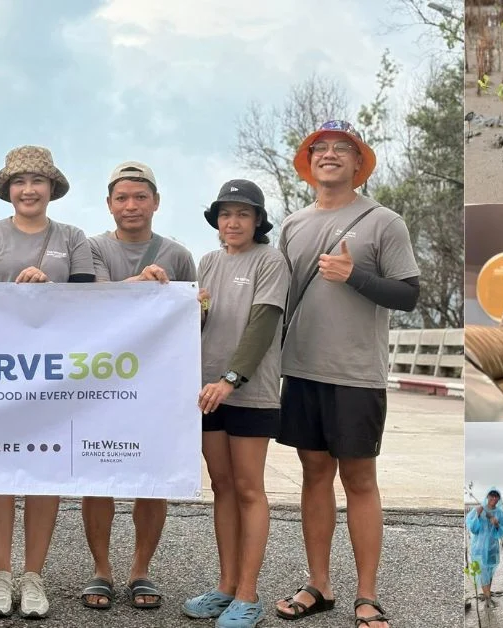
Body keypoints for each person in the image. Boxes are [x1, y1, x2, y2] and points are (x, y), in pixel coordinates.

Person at [274, 120, 420, 628]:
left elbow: (409, 294)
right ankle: (320, 584)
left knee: (359, 478)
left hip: (357, 374)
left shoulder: (384, 221)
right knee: (314, 474)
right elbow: (279, 300)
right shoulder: (292, 225)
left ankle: (368, 594)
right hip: (302, 370)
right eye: (320, 148)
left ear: (360, 163)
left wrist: (353, 275)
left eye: (343, 149)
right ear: (308, 162)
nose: (330, 154)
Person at [0, 145, 94, 619]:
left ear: (52, 187)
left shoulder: (74, 237)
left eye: (38, 180)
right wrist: (11, 295)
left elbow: (88, 307)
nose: (29, 189)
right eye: (20, 181)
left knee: (44, 472)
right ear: (8, 189)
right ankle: (0, 574)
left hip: (53, 376)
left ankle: (33, 575)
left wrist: (48, 291)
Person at [80, 161, 196, 612]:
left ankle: (140, 570)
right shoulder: (89, 249)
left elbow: (193, 317)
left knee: (152, 479)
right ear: (109, 204)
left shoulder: (180, 255)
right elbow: (89, 303)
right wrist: (137, 285)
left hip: (158, 383)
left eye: (140, 197)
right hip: (101, 381)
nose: (131, 205)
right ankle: (102, 569)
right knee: (98, 475)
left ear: (156, 202)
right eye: (122, 197)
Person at [181, 180, 290, 628]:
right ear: (216, 221)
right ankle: (225, 586)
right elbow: (194, 321)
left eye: (243, 214)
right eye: (226, 214)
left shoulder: (270, 261)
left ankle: (249, 593)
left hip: (249, 391)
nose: (233, 221)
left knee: (248, 488)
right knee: (221, 487)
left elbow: (262, 327)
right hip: (208, 391)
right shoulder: (207, 263)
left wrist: (230, 379)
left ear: (258, 220)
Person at [465, 488, 503, 606]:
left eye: (496, 496)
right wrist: (478, 515)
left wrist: (497, 524)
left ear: (499, 498)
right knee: (483, 572)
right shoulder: (479, 509)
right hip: (479, 548)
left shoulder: (500, 513)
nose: (494, 498)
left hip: (492, 548)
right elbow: (473, 529)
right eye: (491, 495)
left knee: (489, 573)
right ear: (487, 496)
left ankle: (487, 594)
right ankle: (488, 599)